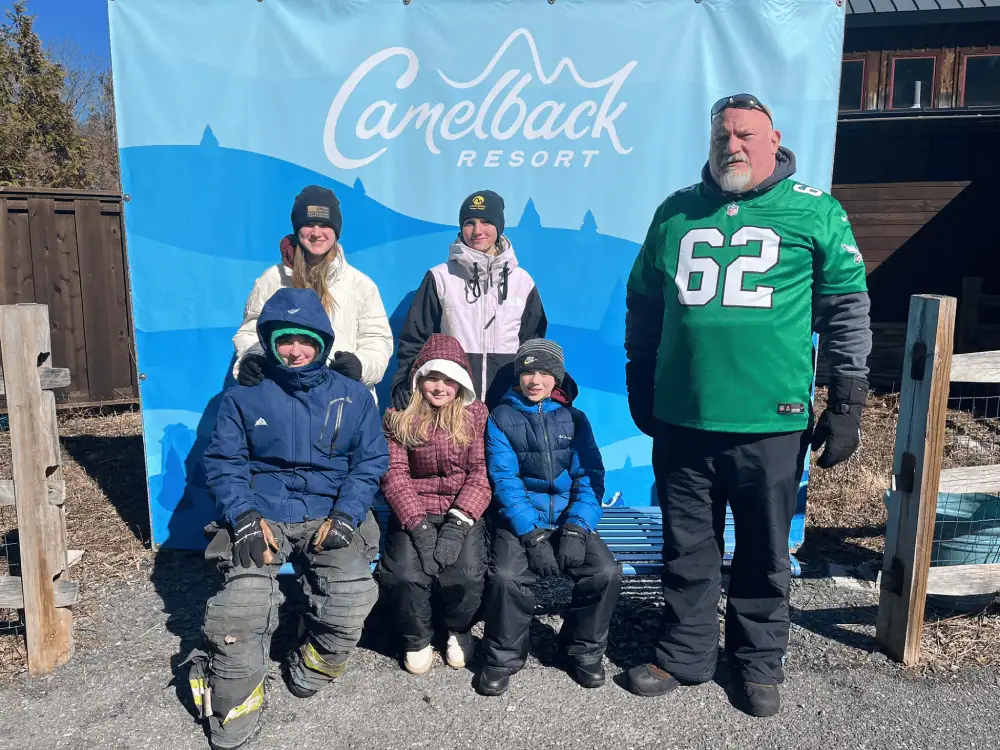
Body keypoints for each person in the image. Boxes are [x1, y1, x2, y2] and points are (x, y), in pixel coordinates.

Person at [623, 93, 872, 716]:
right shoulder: (676, 212)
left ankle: (758, 664)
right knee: (687, 547)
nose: (732, 146)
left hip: (771, 419)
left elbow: (847, 311)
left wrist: (846, 400)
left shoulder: (815, 212)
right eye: (721, 137)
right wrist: (640, 380)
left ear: (773, 139)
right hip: (684, 417)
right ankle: (684, 653)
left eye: (744, 135)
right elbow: (644, 306)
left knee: (764, 550)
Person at [189, 286, 388, 750]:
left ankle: (310, 661)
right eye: (284, 339)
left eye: (305, 339)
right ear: (269, 340)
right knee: (241, 608)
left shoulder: (354, 396)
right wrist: (242, 515)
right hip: (265, 512)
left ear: (322, 341)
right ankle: (234, 698)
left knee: (353, 599)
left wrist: (346, 515)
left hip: (330, 510)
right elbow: (224, 462)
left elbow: (371, 462)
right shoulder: (244, 397)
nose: (294, 350)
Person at [477, 339, 622, 696]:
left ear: (557, 377)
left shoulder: (574, 418)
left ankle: (582, 650)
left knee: (605, 572)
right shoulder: (501, 417)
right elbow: (505, 482)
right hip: (523, 521)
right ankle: (503, 658)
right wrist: (533, 536)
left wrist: (576, 527)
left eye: (544, 372)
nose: (535, 380)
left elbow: (590, 475)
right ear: (518, 376)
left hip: (569, 519)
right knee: (507, 577)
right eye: (528, 371)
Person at [377, 333, 491, 674]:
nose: (440, 387)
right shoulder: (398, 416)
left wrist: (459, 523)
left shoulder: (477, 415)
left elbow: (482, 472)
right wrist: (418, 525)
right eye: (432, 378)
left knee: (467, 573)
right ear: (419, 379)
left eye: (449, 380)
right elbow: (394, 474)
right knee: (402, 574)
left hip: (461, 509)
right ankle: (417, 637)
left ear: (461, 383)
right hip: (415, 508)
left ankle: (458, 629)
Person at [390, 189, 547, 411]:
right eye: (469, 222)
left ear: (499, 227)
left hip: (506, 405)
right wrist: (405, 383)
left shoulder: (522, 281)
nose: (477, 230)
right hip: (452, 403)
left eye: (486, 222)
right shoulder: (440, 277)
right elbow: (415, 340)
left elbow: (532, 344)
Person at [233, 185, 393, 393]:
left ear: (336, 230)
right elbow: (252, 331)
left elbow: (377, 340)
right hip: (283, 397)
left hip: (342, 399)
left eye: (324, 224)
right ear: (297, 228)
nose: (316, 233)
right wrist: (252, 357)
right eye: (309, 224)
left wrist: (360, 365)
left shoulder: (361, 285)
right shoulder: (273, 279)